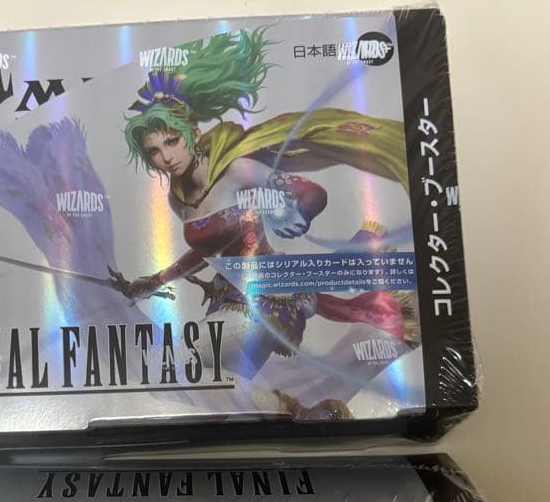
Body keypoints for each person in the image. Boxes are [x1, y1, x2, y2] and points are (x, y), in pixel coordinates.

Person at [118, 29, 417, 378]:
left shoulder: (237, 170)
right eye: (154, 151)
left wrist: (294, 211)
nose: (166, 157)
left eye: (172, 142)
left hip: (268, 301)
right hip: (227, 300)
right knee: (218, 389)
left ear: (193, 135)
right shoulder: (178, 198)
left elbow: (312, 192)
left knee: (181, 357)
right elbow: (205, 251)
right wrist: (154, 280)